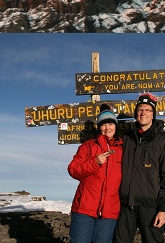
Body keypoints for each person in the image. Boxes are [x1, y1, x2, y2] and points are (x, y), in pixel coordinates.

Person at [113, 92, 165, 243]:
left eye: (147, 110)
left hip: (151, 208)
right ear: (136, 112)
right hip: (125, 206)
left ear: (153, 114)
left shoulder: (164, 142)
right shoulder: (126, 139)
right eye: (140, 109)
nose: (143, 113)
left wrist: (162, 209)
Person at [68, 103, 124, 243]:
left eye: (110, 124)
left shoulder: (122, 149)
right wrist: (95, 162)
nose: (107, 128)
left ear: (116, 126)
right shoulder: (88, 146)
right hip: (84, 209)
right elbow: (73, 169)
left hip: (109, 212)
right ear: (99, 127)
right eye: (104, 124)